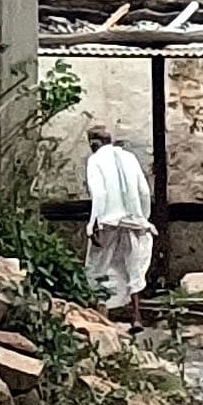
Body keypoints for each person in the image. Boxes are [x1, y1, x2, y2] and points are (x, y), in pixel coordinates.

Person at [84, 125, 155, 325]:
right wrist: (142, 217)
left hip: (108, 221)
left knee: (99, 267)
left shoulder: (95, 160)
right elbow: (143, 190)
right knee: (132, 268)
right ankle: (136, 318)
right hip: (133, 221)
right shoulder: (129, 158)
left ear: (94, 143)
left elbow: (99, 194)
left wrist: (92, 224)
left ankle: (102, 318)